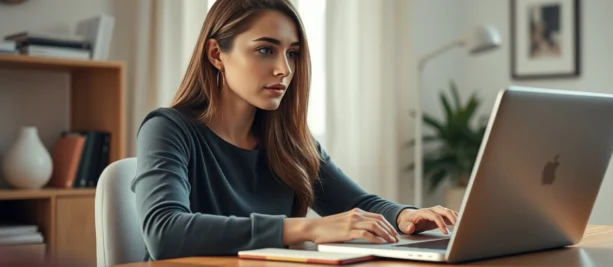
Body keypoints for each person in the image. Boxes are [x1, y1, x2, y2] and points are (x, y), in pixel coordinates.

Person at [132, 0, 459, 261]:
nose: (284, 69)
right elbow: (164, 232)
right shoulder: (168, 129)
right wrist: (307, 229)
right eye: (266, 50)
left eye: (293, 53)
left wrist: (405, 216)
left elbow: (355, 203)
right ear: (217, 54)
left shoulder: (288, 140)